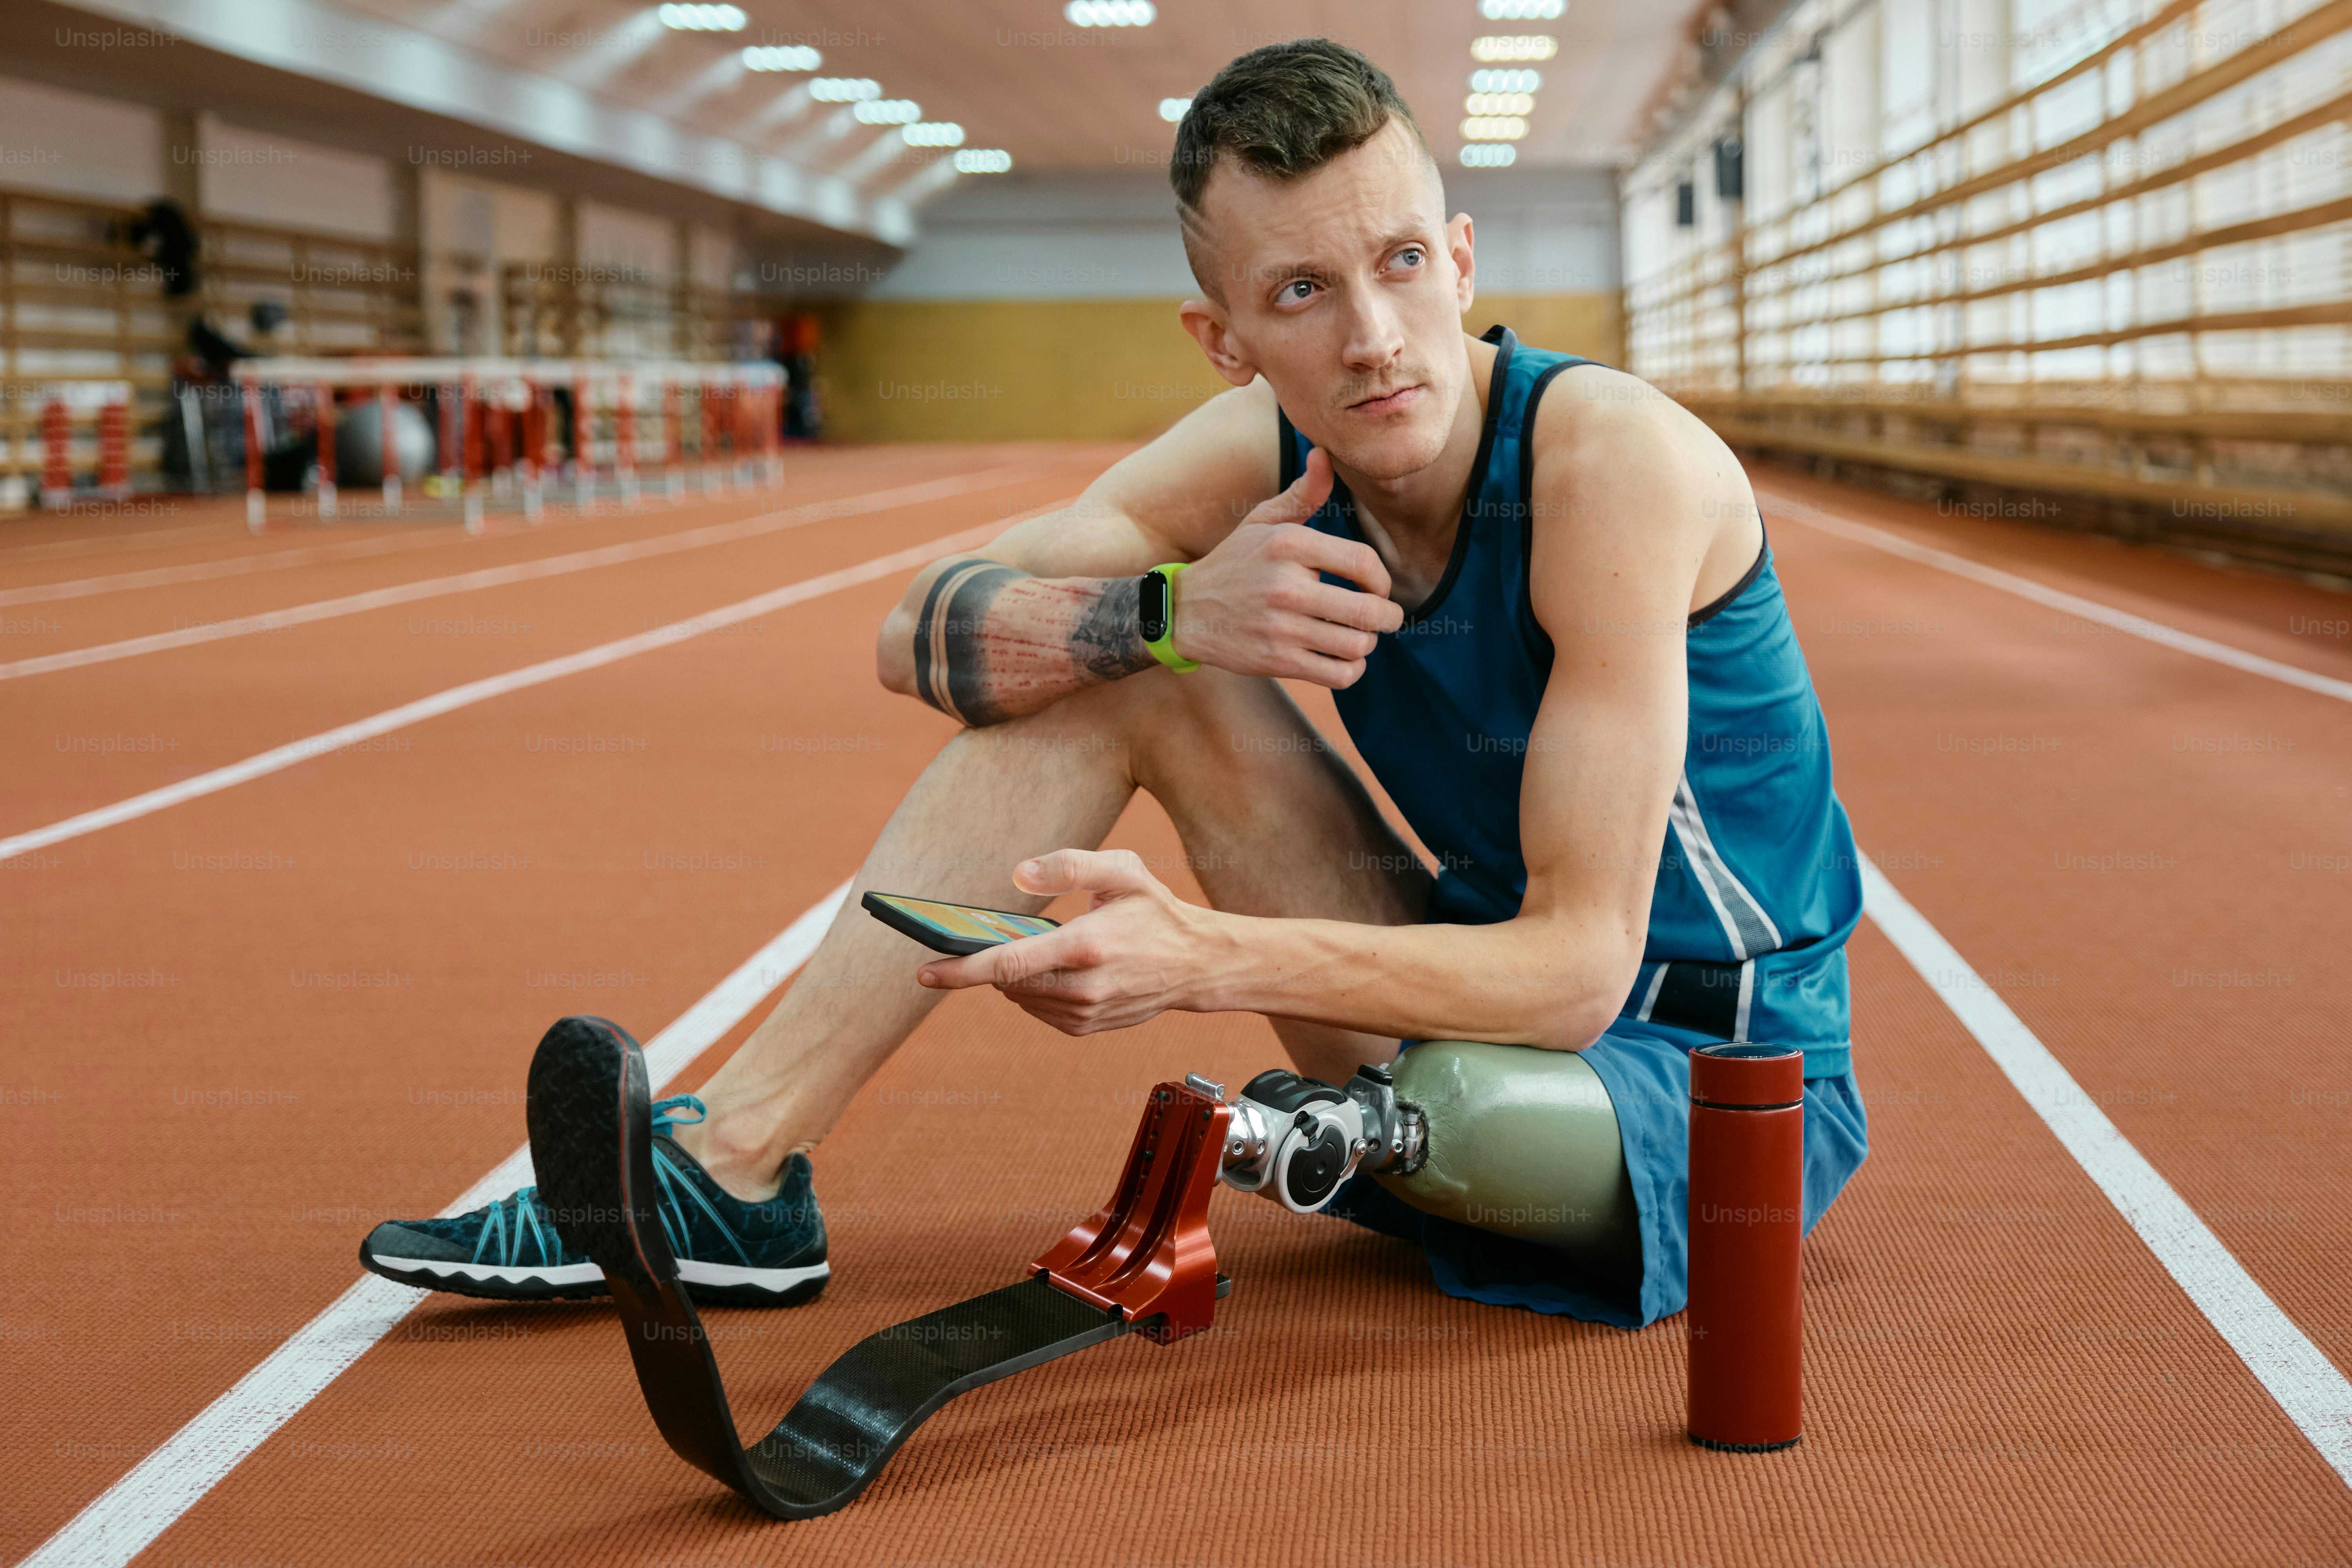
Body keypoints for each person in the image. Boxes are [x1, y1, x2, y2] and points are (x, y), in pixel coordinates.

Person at [361, 38, 1867, 1329]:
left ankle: (1389, 1133)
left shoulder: (1610, 465)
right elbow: (913, 634)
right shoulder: (1267, 457)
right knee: (1122, 672)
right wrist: (1165, 612)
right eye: (1302, 290)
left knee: (1467, 1105)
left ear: (1461, 259)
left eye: (1403, 263)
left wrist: (1200, 960)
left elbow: (1578, 972)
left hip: (1711, 1083)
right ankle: (734, 1173)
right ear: (1225, 339)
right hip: (1463, 1000)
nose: (1372, 337)